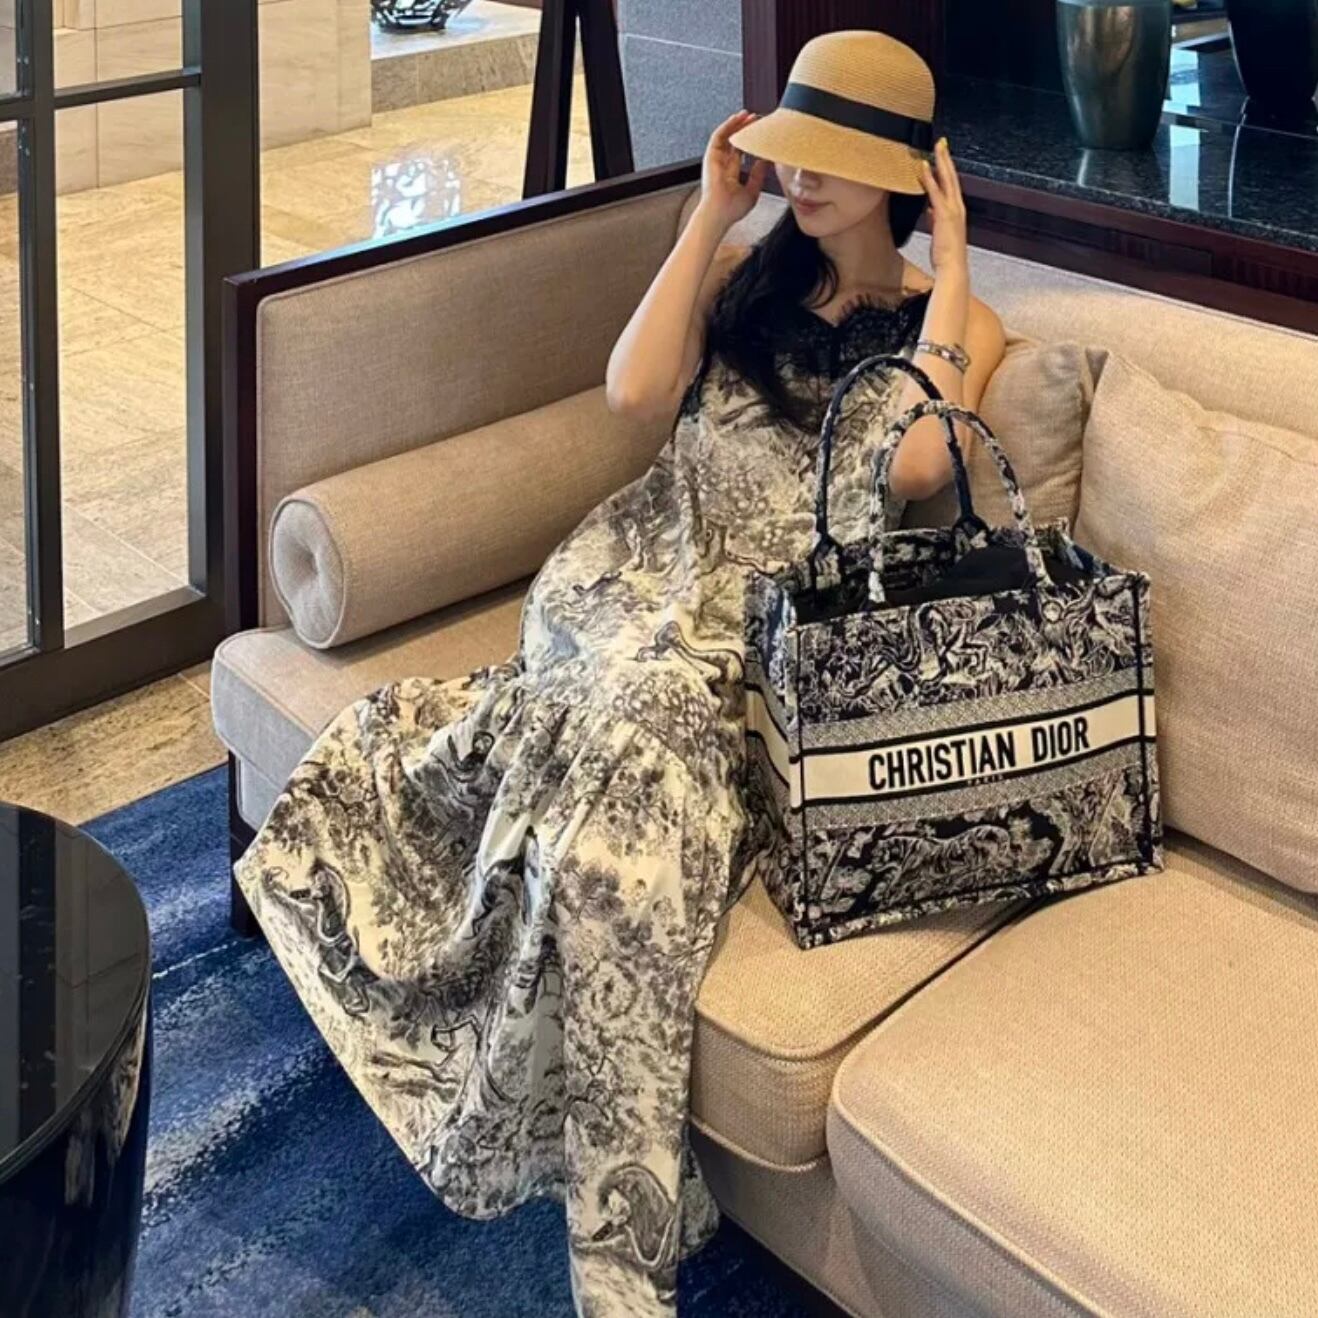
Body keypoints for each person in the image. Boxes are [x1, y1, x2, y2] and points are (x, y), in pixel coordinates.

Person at [233, 28, 1006, 1318]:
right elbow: (633, 393)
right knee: (623, 723)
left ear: (904, 179)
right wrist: (708, 217)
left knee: (611, 846)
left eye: (830, 160)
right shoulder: (749, 276)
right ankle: (625, 1245)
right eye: (792, 151)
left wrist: (958, 260)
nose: (801, 177)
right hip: (636, 569)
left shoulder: (957, 319)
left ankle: (622, 1246)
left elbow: (923, 467)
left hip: (762, 629)